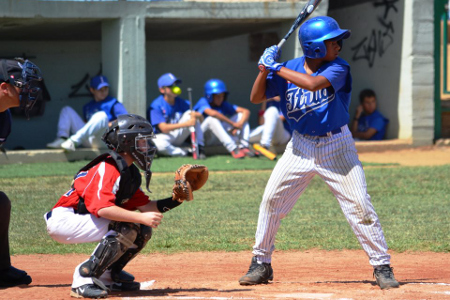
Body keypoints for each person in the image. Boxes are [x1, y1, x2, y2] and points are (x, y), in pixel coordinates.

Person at [238, 16, 400, 290]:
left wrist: (276, 67)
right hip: (299, 146)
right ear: (313, 48)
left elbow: (312, 84)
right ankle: (261, 263)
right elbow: (256, 98)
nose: (338, 44)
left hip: (337, 146)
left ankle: (382, 266)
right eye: (332, 40)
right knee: (271, 201)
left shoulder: (339, 67)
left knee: (359, 204)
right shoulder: (287, 69)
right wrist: (264, 70)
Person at [44, 114, 197, 298]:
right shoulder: (108, 167)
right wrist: (139, 217)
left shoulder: (128, 172)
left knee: (141, 229)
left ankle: (108, 277)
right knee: (129, 225)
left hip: (84, 218)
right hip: (66, 219)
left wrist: (176, 199)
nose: (147, 146)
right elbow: (102, 209)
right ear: (127, 143)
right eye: (142, 141)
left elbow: (147, 207)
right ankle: (83, 278)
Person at [0, 58, 43, 288]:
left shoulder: (4, 118)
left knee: (0, 202)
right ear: (4, 87)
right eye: (22, 85)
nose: (29, 90)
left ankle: (1, 269)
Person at [46, 75, 128, 151]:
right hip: (88, 138)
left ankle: (73, 142)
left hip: (104, 139)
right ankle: (62, 138)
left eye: (105, 89)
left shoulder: (113, 102)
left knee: (101, 115)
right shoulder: (88, 106)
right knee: (66, 110)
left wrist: (110, 124)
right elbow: (87, 124)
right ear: (92, 90)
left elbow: (126, 119)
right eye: (100, 90)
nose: (103, 92)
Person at [147, 73, 206, 158]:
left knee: (190, 113)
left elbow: (200, 119)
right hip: (164, 136)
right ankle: (185, 152)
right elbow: (164, 129)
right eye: (171, 86)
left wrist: (197, 115)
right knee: (159, 144)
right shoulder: (156, 105)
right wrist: (186, 124)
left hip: (178, 134)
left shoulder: (182, 102)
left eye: (176, 85)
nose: (175, 88)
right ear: (162, 90)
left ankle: (200, 148)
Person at [193, 78, 252, 159]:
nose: (220, 98)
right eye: (217, 96)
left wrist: (239, 125)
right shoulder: (203, 101)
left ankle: (244, 146)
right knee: (212, 119)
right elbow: (213, 113)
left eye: (222, 95)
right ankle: (233, 149)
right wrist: (233, 124)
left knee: (241, 115)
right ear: (209, 95)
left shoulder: (223, 104)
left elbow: (246, 111)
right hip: (203, 138)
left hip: (219, 137)